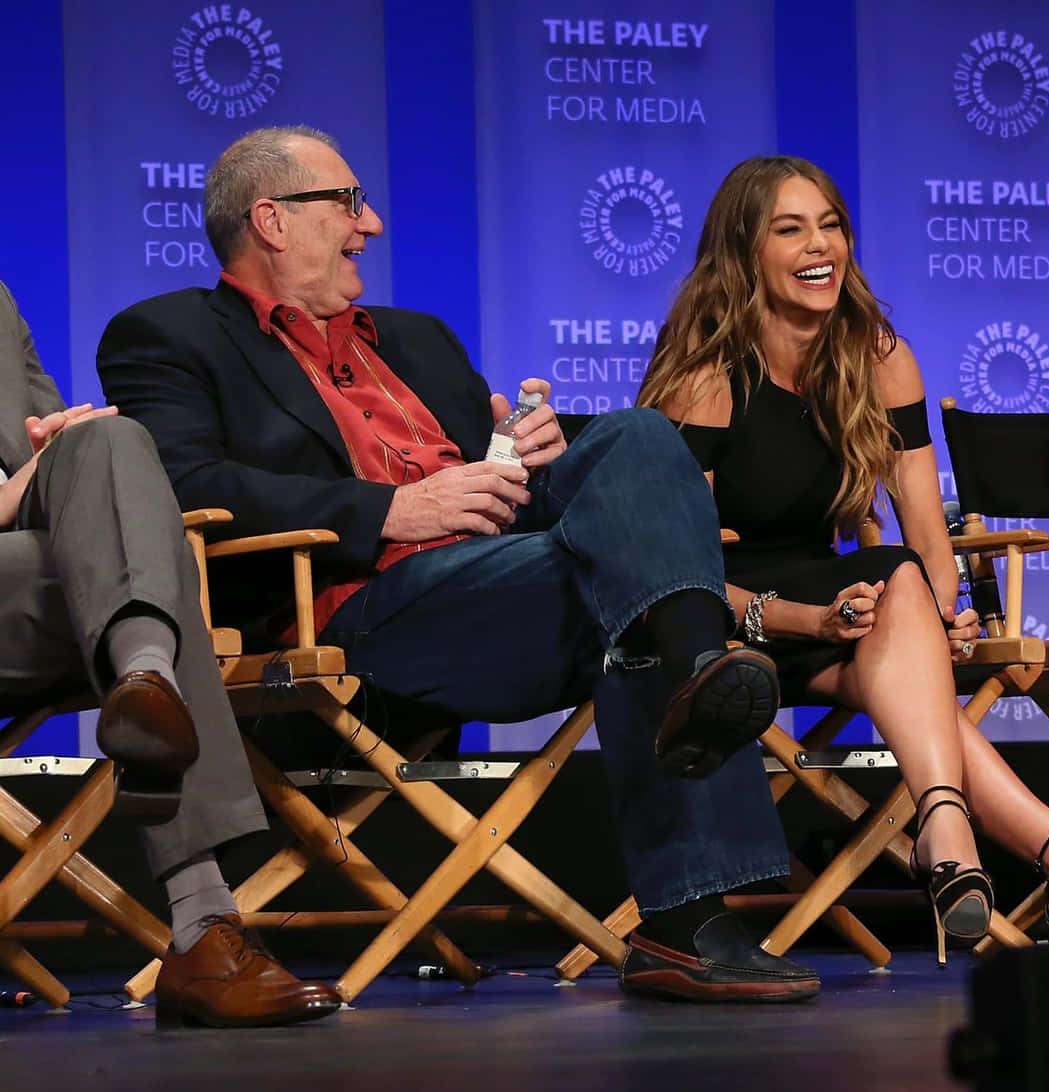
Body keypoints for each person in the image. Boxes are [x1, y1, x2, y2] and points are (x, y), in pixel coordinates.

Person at [95, 126, 818, 1003]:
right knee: (637, 592)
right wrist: (391, 510)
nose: (375, 225)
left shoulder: (416, 338)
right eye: (350, 203)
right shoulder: (168, 335)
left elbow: (497, 479)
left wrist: (535, 459)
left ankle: (700, 666)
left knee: (636, 435)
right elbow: (177, 482)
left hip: (503, 579)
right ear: (272, 220)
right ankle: (688, 921)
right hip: (364, 605)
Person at [636, 155, 1049, 958]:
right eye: (789, 229)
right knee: (895, 606)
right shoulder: (705, 377)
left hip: (839, 615)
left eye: (830, 224)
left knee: (903, 588)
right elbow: (669, 567)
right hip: (718, 628)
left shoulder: (876, 354)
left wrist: (944, 609)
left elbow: (925, 529)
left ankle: (962, 830)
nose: (819, 244)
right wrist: (801, 616)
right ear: (742, 252)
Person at [0, 279, 339, 1026]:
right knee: (148, 568)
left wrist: (52, 453)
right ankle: (202, 930)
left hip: (34, 576)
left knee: (112, 444)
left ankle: (145, 682)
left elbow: (53, 459)